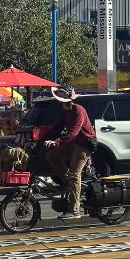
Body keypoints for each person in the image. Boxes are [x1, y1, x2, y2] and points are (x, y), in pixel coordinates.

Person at [40, 86, 96, 220]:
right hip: (73, 143)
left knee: (74, 174)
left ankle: (75, 209)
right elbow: (57, 128)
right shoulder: (65, 112)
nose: (58, 101)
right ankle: (69, 183)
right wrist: (39, 141)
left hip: (85, 144)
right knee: (52, 156)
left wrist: (56, 141)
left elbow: (73, 133)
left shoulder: (78, 110)